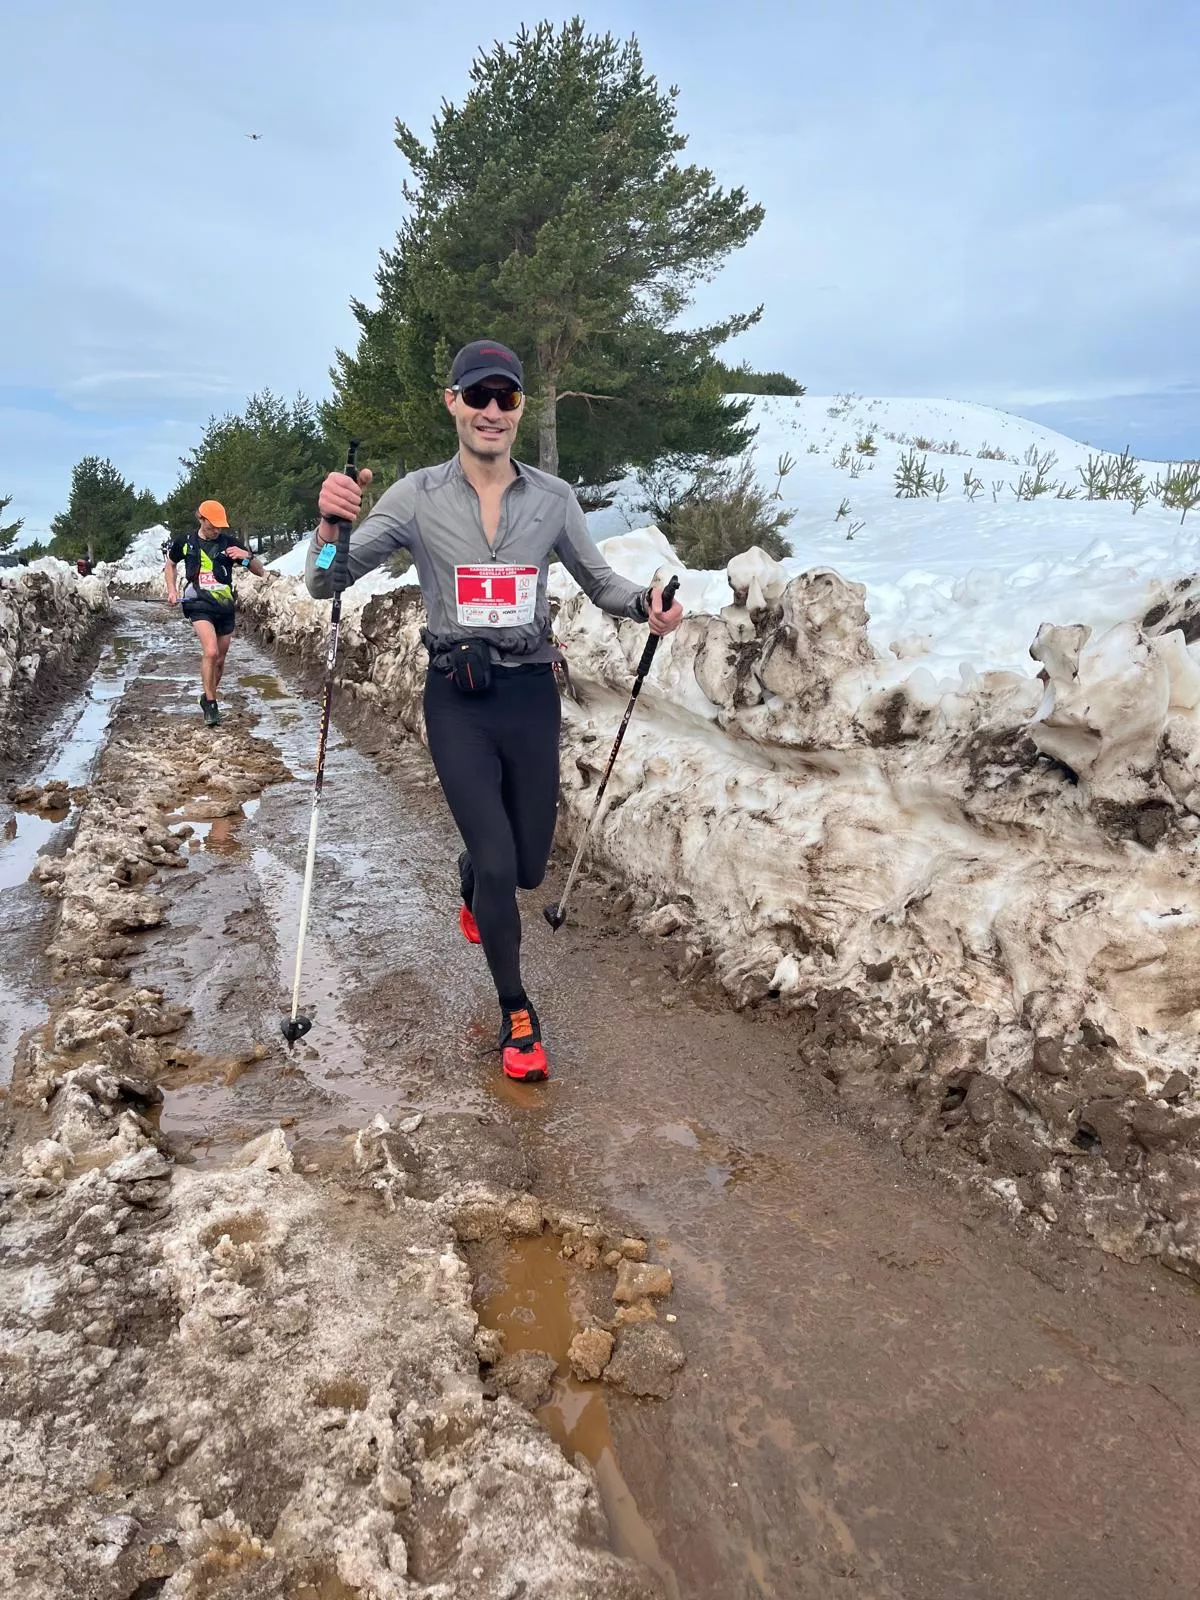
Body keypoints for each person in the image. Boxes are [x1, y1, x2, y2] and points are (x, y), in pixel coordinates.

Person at [307, 339, 684, 1082]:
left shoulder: (552, 498)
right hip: (458, 698)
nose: (490, 411)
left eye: (505, 398)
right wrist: (327, 530)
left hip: (529, 692)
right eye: (476, 395)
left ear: (517, 409)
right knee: (496, 856)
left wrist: (646, 605)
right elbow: (327, 584)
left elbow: (599, 581)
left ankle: (475, 879)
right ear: (452, 402)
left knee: (527, 867)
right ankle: (518, 1013)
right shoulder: (415, 496)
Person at [165, 500, 265, 726]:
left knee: (219, 659)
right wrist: (171, 590)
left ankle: (207, 694)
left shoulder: (230, 543)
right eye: (212, 526)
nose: (217, 530)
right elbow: (170, 564)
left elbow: (260, 571)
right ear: (201, 519)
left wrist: (246, 556)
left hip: (224, 606)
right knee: (210, 652)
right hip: (197, 602)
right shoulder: (185, 542)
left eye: (220, 526)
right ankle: (211, 704)